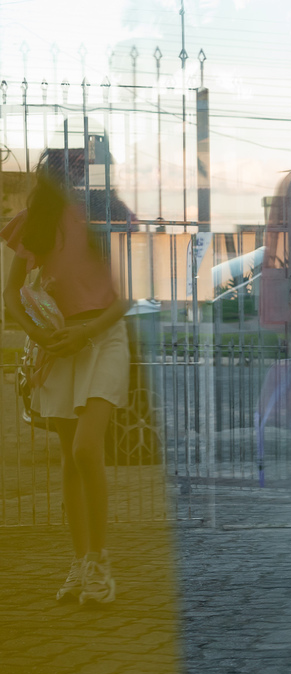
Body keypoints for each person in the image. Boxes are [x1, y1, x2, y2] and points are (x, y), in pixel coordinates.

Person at [2, 159, 131, 604]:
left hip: (102, 338)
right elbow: (11, 293)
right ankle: (80, 562)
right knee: (68, 460)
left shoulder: (106, 216)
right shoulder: (32, 223)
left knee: (85, 448)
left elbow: (127, 297)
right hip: (56, 345)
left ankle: (98, 561)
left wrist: (85, 333)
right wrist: (36, 333)